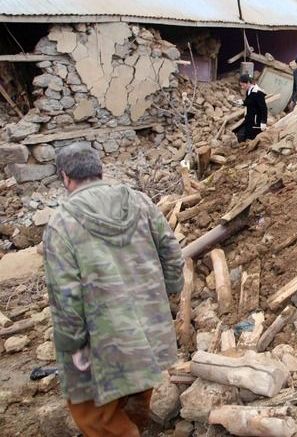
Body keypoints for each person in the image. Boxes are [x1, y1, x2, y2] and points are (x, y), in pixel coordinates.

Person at [43, 143, 184, 437]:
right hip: (148, 330)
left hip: (104, 341)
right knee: (137, 389)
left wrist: (73, 347)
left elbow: (66, 298)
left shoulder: (62, 224)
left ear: (65, 176)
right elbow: (172, 253)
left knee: (90, 412)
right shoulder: (139, 201)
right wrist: (168, 295)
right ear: (100, 170)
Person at [238, 73, 268, 141]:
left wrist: (263, 122)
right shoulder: (249, 90)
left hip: (256, 120)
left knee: (253, 137)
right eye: (241, 85)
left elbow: (264, 108)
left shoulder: (258, 92)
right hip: (249, 117)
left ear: (248, 83)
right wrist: (242, 102)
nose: (242, 87)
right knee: (247, 135)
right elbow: (250, 102)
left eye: (243, 85)